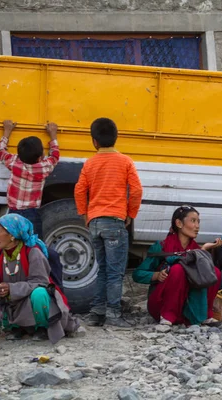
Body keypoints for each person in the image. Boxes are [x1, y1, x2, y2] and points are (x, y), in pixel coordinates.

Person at [74, 117, 143, 328]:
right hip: (115, 222)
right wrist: (130, 213)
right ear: (116, 138)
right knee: (115, 271)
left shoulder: (90, 163)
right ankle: (113, 315)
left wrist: (85, 214)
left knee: (101, 269)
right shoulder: (125, 161)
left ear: (94, 141)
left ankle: (97, 313)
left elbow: (79, 190)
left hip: (94, 223)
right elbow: (137, 190)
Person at [0, 214, 79, 343]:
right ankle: (13, 327)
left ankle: (41, 327)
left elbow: (40, 282)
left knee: (39, 293)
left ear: (12, 235)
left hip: (29, 299)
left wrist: (11, 288)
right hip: (10, 301)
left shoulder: (33, 253)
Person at [133, 206, 222, 326]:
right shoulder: (162, 246)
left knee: (214, 271)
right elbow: (137, 274)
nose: (197, 226)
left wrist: (204, 249)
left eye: (198, 221)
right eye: (193, 221)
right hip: (161, 304)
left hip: (187, 307)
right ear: (179, 223)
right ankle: (168, 316)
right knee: (178, 270)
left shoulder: (195, 250)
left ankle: (204, 315)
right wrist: (156, 275)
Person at [0, 119, 59, 237]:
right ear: (40, 157)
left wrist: (7, 131)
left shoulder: (14, 162)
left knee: (13, 244)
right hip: (32, 214)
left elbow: (0, 152)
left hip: (13, 213)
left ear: (19, 154)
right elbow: (55, 156)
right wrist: (53, 134)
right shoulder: (43, 167)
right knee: (33, 246)